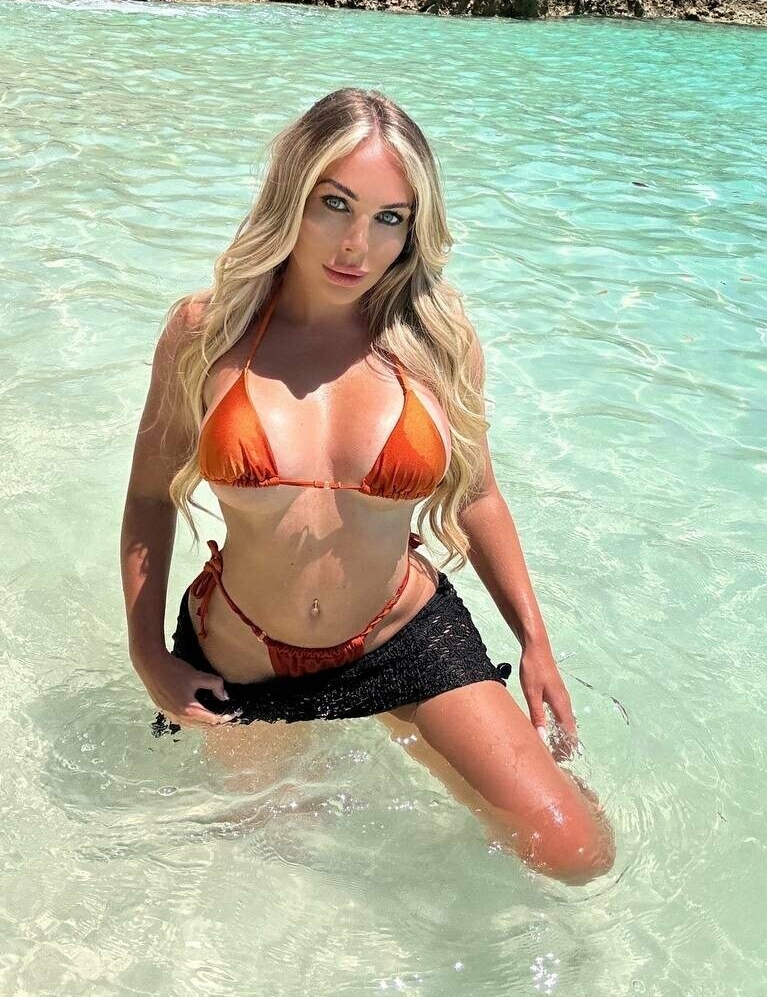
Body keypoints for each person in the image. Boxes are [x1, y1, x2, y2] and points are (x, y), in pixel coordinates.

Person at [120, 87, 615, 884]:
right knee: (278, 870)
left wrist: (534, 643)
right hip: (242, 658)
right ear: (291, 194)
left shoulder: (436, 340)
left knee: (576, 853)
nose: (357, 244)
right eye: (334, 204)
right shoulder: (205, 333)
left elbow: (477, 496)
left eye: (389, 217)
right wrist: (148, 654)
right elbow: (150, 497)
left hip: (400, 635)